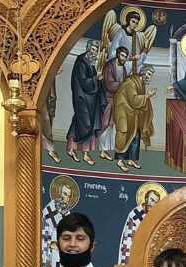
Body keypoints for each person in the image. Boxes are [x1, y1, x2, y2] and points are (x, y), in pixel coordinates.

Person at [67, 39, 106, 167]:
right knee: (83, 123)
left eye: (96, 50)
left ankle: (86, 153)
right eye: (93, 49)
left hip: (92, 100)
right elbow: (83, 82)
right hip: (82, 98)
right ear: (88, 48)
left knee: (91, 123)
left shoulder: (92, 63)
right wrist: (96, 79)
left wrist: (98, 79)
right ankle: (72, 148)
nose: (94, 52)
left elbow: (94, 82)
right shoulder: (81, 62)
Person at [112, 66, 156, 173]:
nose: (149, 77)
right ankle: (120, 161)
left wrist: (147, 97)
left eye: (151, 75)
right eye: (149, 74)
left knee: (136, 135)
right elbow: (134, 100)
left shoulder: (141, 83)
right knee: (124, 135)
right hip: (124, 113)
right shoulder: (131, 83)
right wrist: (146, 96)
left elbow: (139, 100)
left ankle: (131, 159)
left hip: (133, 114)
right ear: (143, 73)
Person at [99, 47, 130, 161]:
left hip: (117, 100)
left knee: (112, 124)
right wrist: (123, 85)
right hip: (108, 98)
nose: (124, 58)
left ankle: (106, 149)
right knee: (105, 123)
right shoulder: (109, 66)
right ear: (117, 54)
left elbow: (125, 82)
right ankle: (102, 150)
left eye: (125, 57)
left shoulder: (123, 68)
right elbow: (109, 84)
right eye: (122, 56)